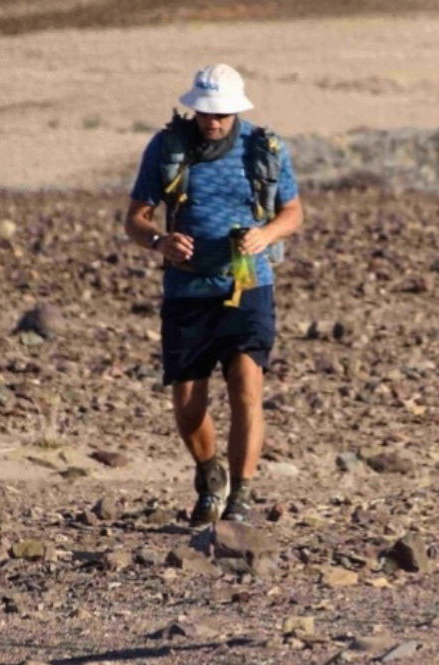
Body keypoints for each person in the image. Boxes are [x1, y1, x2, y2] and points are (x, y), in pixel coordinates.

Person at [125, 63, 303, 526]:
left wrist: (266, 236)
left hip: (249, 283)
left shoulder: (264, 148)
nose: (214, 121)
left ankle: (241, 498)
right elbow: (136, 218)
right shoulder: (167, 148)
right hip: (187, 289)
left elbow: (293, 213)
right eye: (206, 112)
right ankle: (210, 473)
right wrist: (159, 241)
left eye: (222, 113)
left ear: (236, 111)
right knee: (187, 405)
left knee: (247, 386)